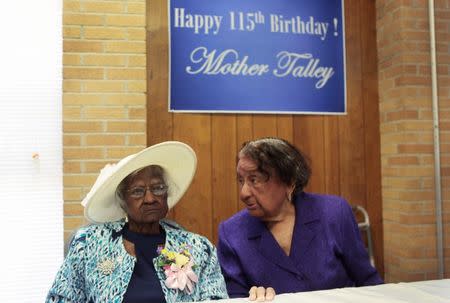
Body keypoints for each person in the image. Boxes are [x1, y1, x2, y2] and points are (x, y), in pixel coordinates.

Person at [46, 141, 228, 303]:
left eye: (157, 188)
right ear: (122, 200)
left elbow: (217, 299)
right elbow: (60, 298)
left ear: (167, 193)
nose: (150, 198)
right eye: (137, 191)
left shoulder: (199, 248)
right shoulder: (89, 244)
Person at [217, 137, 383, 301]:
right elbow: (235, 298)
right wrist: (251, 298)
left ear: (289, 182)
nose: (244, 193)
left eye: (254, 179)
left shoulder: (333, 213)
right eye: (241, 180)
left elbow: (368, 281)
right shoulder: (232, 234)